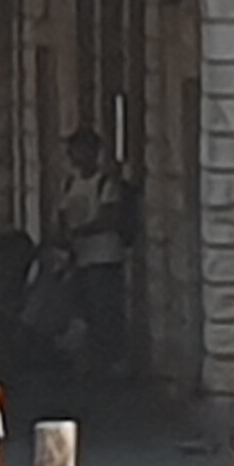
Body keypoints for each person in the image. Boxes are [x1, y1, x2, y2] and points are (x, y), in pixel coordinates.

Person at [52, 128, 132, 390]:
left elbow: (109, 217)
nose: (75, 156)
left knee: (105, 310)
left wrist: (80, 232)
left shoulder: (106, 183)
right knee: (82, 310)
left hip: (104, 256)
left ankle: (113, 362)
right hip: (79, 257)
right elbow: (63, 214)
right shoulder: (70, 182)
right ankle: (90, 362)